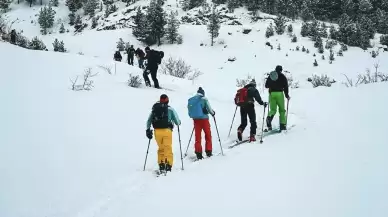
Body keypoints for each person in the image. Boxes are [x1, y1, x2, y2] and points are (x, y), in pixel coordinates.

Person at [146, 94, 181, 172]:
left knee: (161, 148)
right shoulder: (170, 109)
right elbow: (177, 122)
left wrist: (148, 130)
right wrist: (178, 122)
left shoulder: (155, 109)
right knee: (167, 148)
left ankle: (161, 164)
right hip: (167, 131)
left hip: (157, 131)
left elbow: (149, 120)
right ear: (167, 101)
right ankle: (168, 165)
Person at [187, 87, 215, 160]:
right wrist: (213, 113)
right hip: (204, 120)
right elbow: (209, 109)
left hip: (196, 120)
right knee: (208, 135)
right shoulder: (204, 99)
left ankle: (198, 152)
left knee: (198, 137)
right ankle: (208, 151)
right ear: (203, 93)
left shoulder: (192, 100)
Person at [265, 65, 290, 131]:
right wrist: (287, 95)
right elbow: (286, 86)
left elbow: (266, 85)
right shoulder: (282, 76)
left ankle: (269, 118)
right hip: (279, 94)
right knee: (282, 110)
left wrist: (272, 85)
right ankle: (282, 125)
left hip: (272, 94)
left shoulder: (271, 75)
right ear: (281, 70)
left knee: (273, 109)